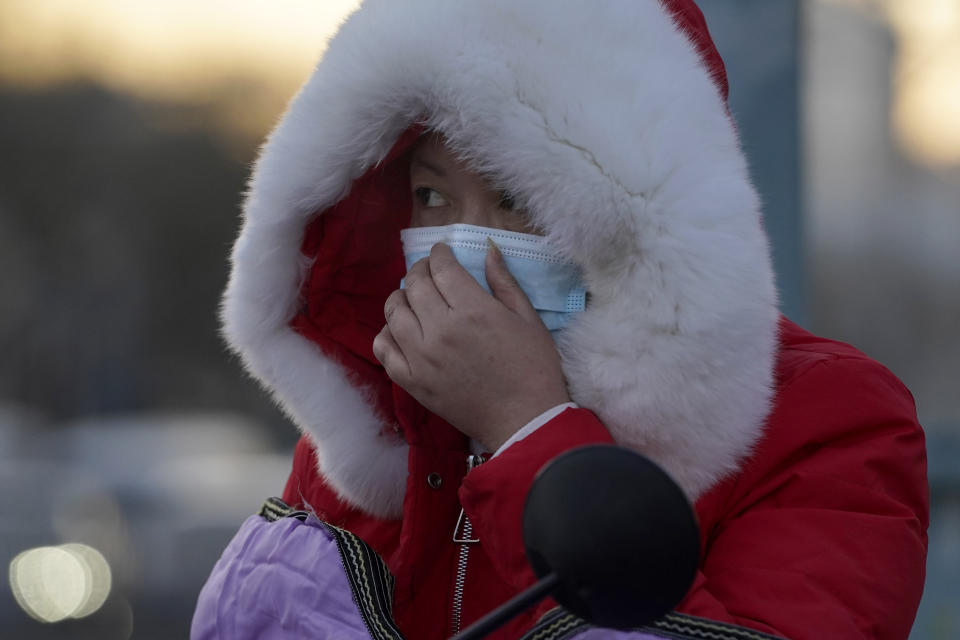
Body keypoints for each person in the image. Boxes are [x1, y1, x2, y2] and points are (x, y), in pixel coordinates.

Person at [192, 1, 929, 639]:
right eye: (429, 195)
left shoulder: (830, 422)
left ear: (644, 215)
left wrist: (530, 431)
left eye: (518, 201)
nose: (461, 249)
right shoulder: (385, 423)